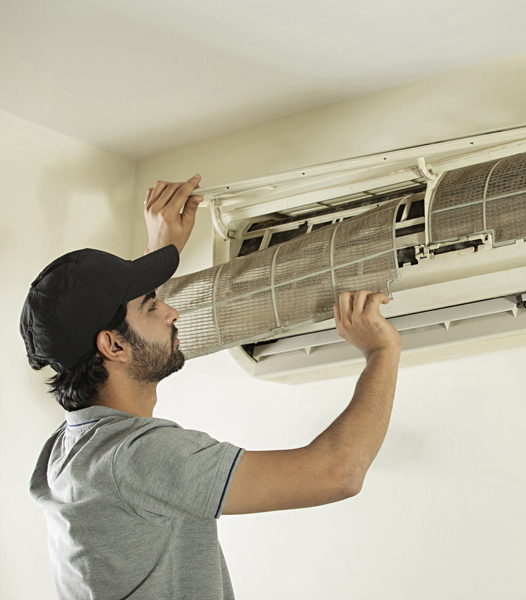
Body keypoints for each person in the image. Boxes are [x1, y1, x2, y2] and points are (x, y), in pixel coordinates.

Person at [22, 175, 402, 599]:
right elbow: (338, 472)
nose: (171, 309)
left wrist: (162, 251)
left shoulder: (70, 451)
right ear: (112, 346)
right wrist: (382, 352)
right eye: (152, 305)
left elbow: (122, 327)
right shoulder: (137, 457)